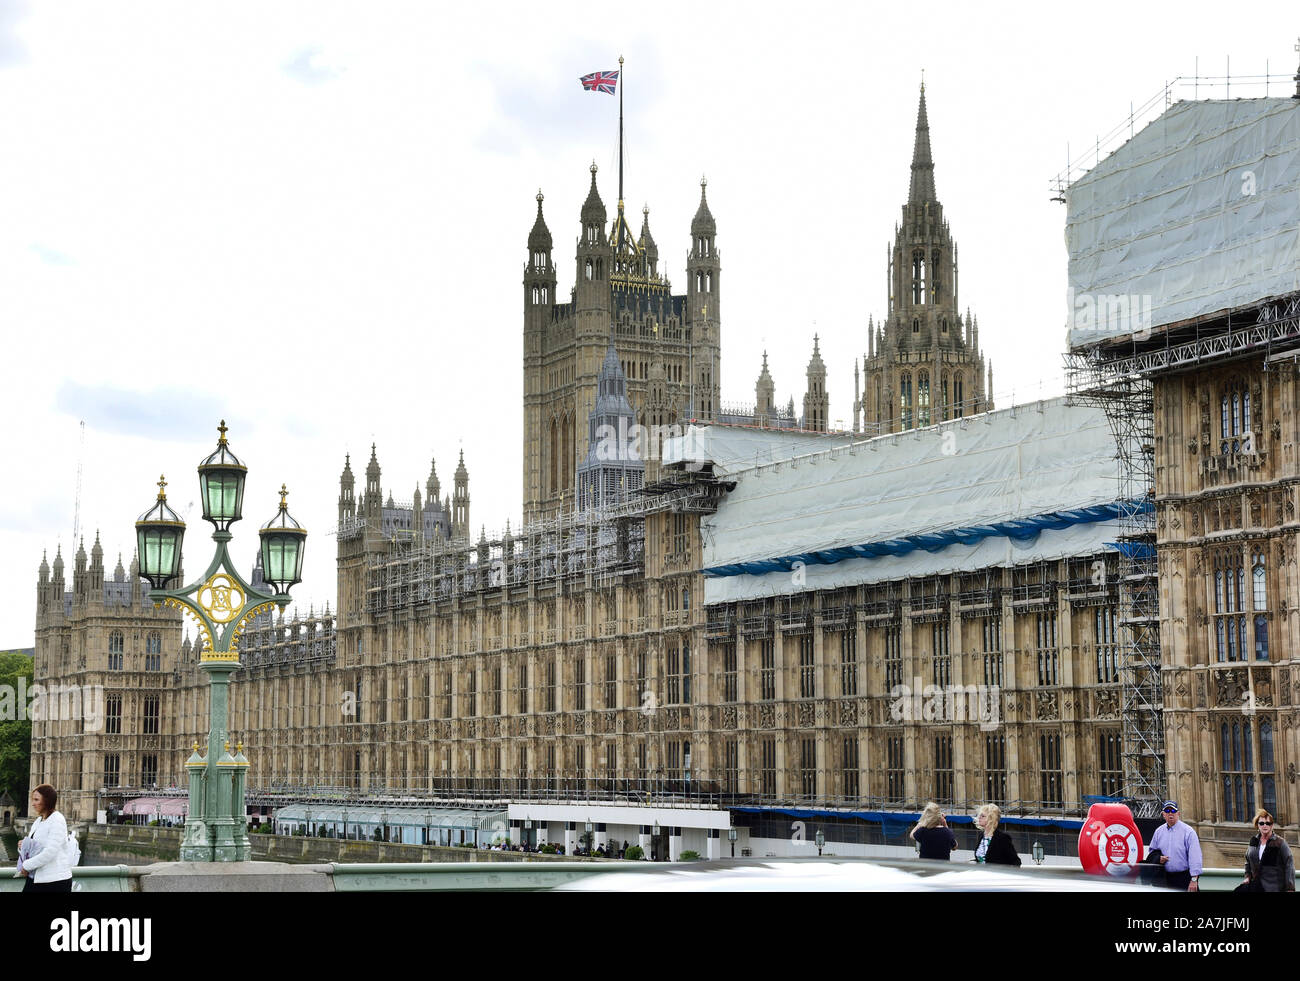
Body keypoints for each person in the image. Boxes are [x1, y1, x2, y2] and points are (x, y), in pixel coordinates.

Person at [17, 784, 73, 893]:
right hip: (36, 877)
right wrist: (23, 845)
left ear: (47, 801)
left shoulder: (57, 819)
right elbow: (34, 848)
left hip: (55, 881)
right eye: (33, 799)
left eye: (36, 800)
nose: (33, 803)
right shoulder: (38, 821)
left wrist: (26, 865)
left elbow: (50, 852)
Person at [1149, 801, 1202, 891]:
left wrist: (1194, 880)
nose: (1170, 813)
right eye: (1167, 811)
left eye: (1173, 811)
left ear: (1178, 813)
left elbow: (1195, 857)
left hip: (1183, 878)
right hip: (1164, 879)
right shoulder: (1158, 832)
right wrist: (1159, 858)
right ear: (1163, 814)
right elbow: (1152, 852)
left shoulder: (1188, 832)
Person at [1242, 809, 1295, 893]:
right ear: (1257, 825)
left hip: (1274, 888)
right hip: (1256, 887)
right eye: (1261, 823)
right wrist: (1247, 876)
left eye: (1268, 823)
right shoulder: (1253, 841)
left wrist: (1290, 888)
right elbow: (1248, 861)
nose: (1265, 825)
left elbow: (1289, 865)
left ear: (1272, 825)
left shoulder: (1280, 842)